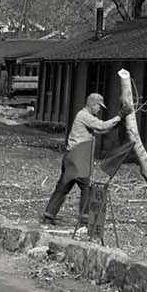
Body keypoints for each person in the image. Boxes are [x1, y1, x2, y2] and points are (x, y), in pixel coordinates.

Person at [41, 92, 125, 226]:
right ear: (92, 105)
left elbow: (101, 131)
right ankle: (85, 219)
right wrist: (119, 116)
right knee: (87, 187)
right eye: (98, 107)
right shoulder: (84, 115)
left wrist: (116, 124)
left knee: (63, 187)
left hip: (73, 157)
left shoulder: (85, 117)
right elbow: (102, 126)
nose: (99, 110)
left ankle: (49, 215)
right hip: (77, 158)